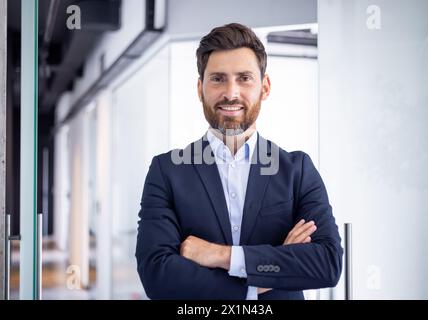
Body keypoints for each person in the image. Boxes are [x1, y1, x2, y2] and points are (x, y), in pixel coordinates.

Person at [135, 23, 342, 300]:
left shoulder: (297, 170)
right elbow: (158, 276)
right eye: (218, 79)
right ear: (200, 88)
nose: (231, 93)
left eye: (244, 78)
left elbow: (326, 263)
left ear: (264, 87)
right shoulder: (167, 172)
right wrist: (269, 274)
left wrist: (219, 255)